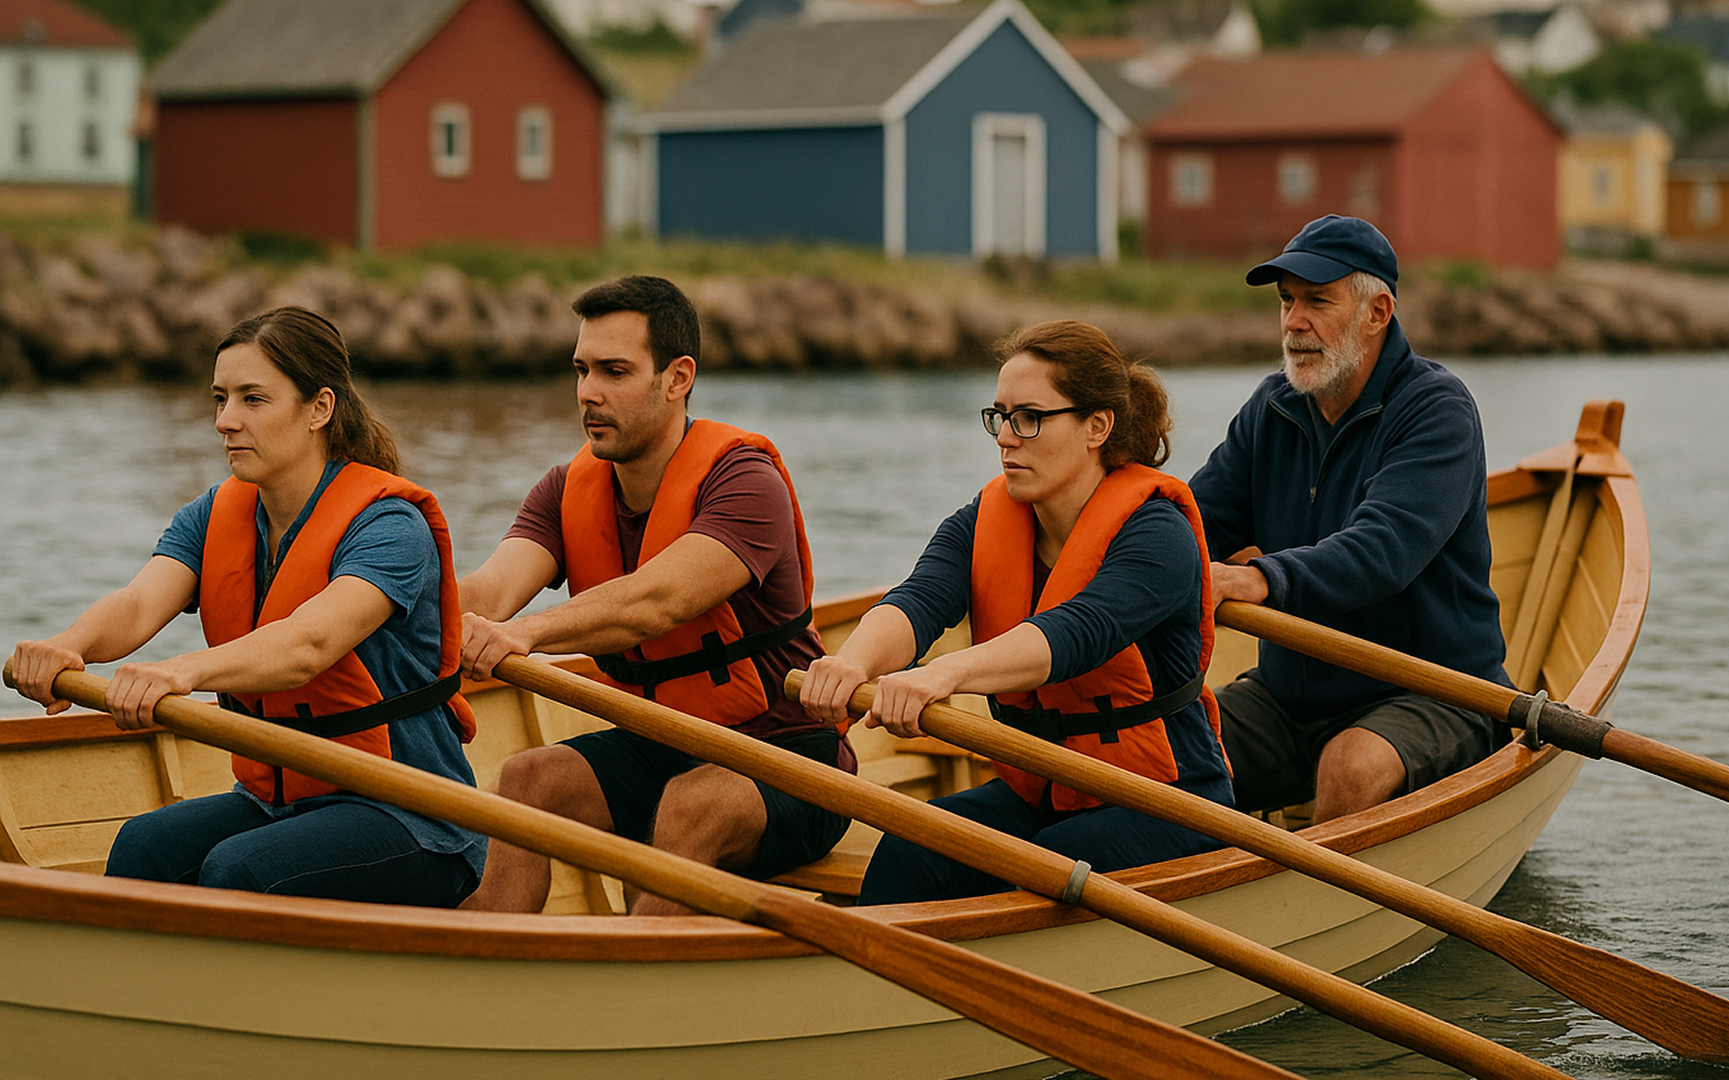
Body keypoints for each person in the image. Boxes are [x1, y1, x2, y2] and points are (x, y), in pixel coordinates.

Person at [7, 307, 485, 906]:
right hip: (276, 800)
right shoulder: (214, 515)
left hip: (414, 816)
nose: (225, 421)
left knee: (240, 869)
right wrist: (67, 645)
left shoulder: (391, 526)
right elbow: (135, 605)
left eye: (252, 399)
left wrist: (180, 671)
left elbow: (308, 645)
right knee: (144, 846)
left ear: (319, 409)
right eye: (220, 398)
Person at [800, 320, 1233, 905]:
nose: (1006, 437)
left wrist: (941, 675)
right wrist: (852, 663)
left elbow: (1079, 631)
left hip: (1168, 798)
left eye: (1029, 417)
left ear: (1096, 426)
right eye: (999, 415)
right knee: (910, 849)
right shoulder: (982, 522)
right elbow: (917, 600)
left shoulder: (1158, 534)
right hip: (1044, 791)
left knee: (1031, 873)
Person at [457, 274, 848, 916]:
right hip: (657, 740)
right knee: (527, 779)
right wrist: (379, 611)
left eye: (614, 371)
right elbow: (490, 589)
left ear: (677, 378)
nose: (588, 393)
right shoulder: (564, 490)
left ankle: (635, 993)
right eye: (581, 370)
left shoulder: (745, 480)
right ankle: (478, 974)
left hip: (788, 758)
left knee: (692, 803)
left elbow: (656, 602)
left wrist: (528, 634)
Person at [1188, 214, 1513, 825]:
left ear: (1377, 312)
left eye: (1317, 301)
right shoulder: (1272, 408)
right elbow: (1193, 521)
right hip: (1288, 700)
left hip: (1435, 693)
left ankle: (1302, 912)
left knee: (1351, 766)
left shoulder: (1437, 411)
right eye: (1286, 302)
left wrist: (1262, 579)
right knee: (1162, 741)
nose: (1292, 322)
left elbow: (1380, 552)